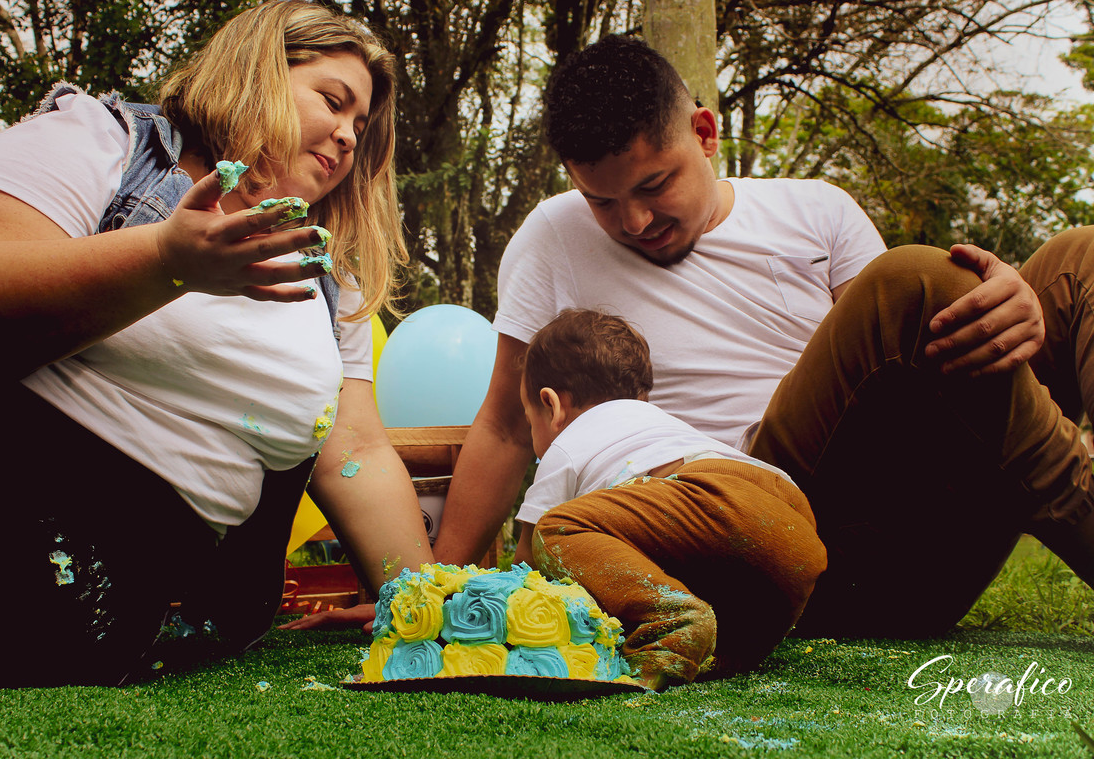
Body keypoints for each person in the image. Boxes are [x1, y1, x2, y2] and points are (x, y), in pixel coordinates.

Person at [433, 34, 1094, 649]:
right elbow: (505, 427)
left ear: (705, 133)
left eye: (653, 185)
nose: (633, 221)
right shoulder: (553, 236)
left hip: (906, 524)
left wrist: (1015, 311)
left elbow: (908, 361)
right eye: (601, 202)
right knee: (914, 280)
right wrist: (435, 590)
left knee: (1078, 262)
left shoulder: (819, 211)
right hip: (750, 535)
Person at [0, 0, 432, 692]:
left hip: (121, 628)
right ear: (259, 72)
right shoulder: (104, 141)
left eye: (362, 124)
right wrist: (165, 263)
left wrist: (429, 605)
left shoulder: (329, 276)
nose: (350, 136)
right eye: (334, 101)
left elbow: (356, 450)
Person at [511, 308, 826, 688]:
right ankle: (709, 641)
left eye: (528, 420)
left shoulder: (566, 445)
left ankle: (672, 619)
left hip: (710, 492)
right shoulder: (660, 425)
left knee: (555, 529)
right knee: (713, 606)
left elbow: (527, 564)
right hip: (789, 512)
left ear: (551, 405)